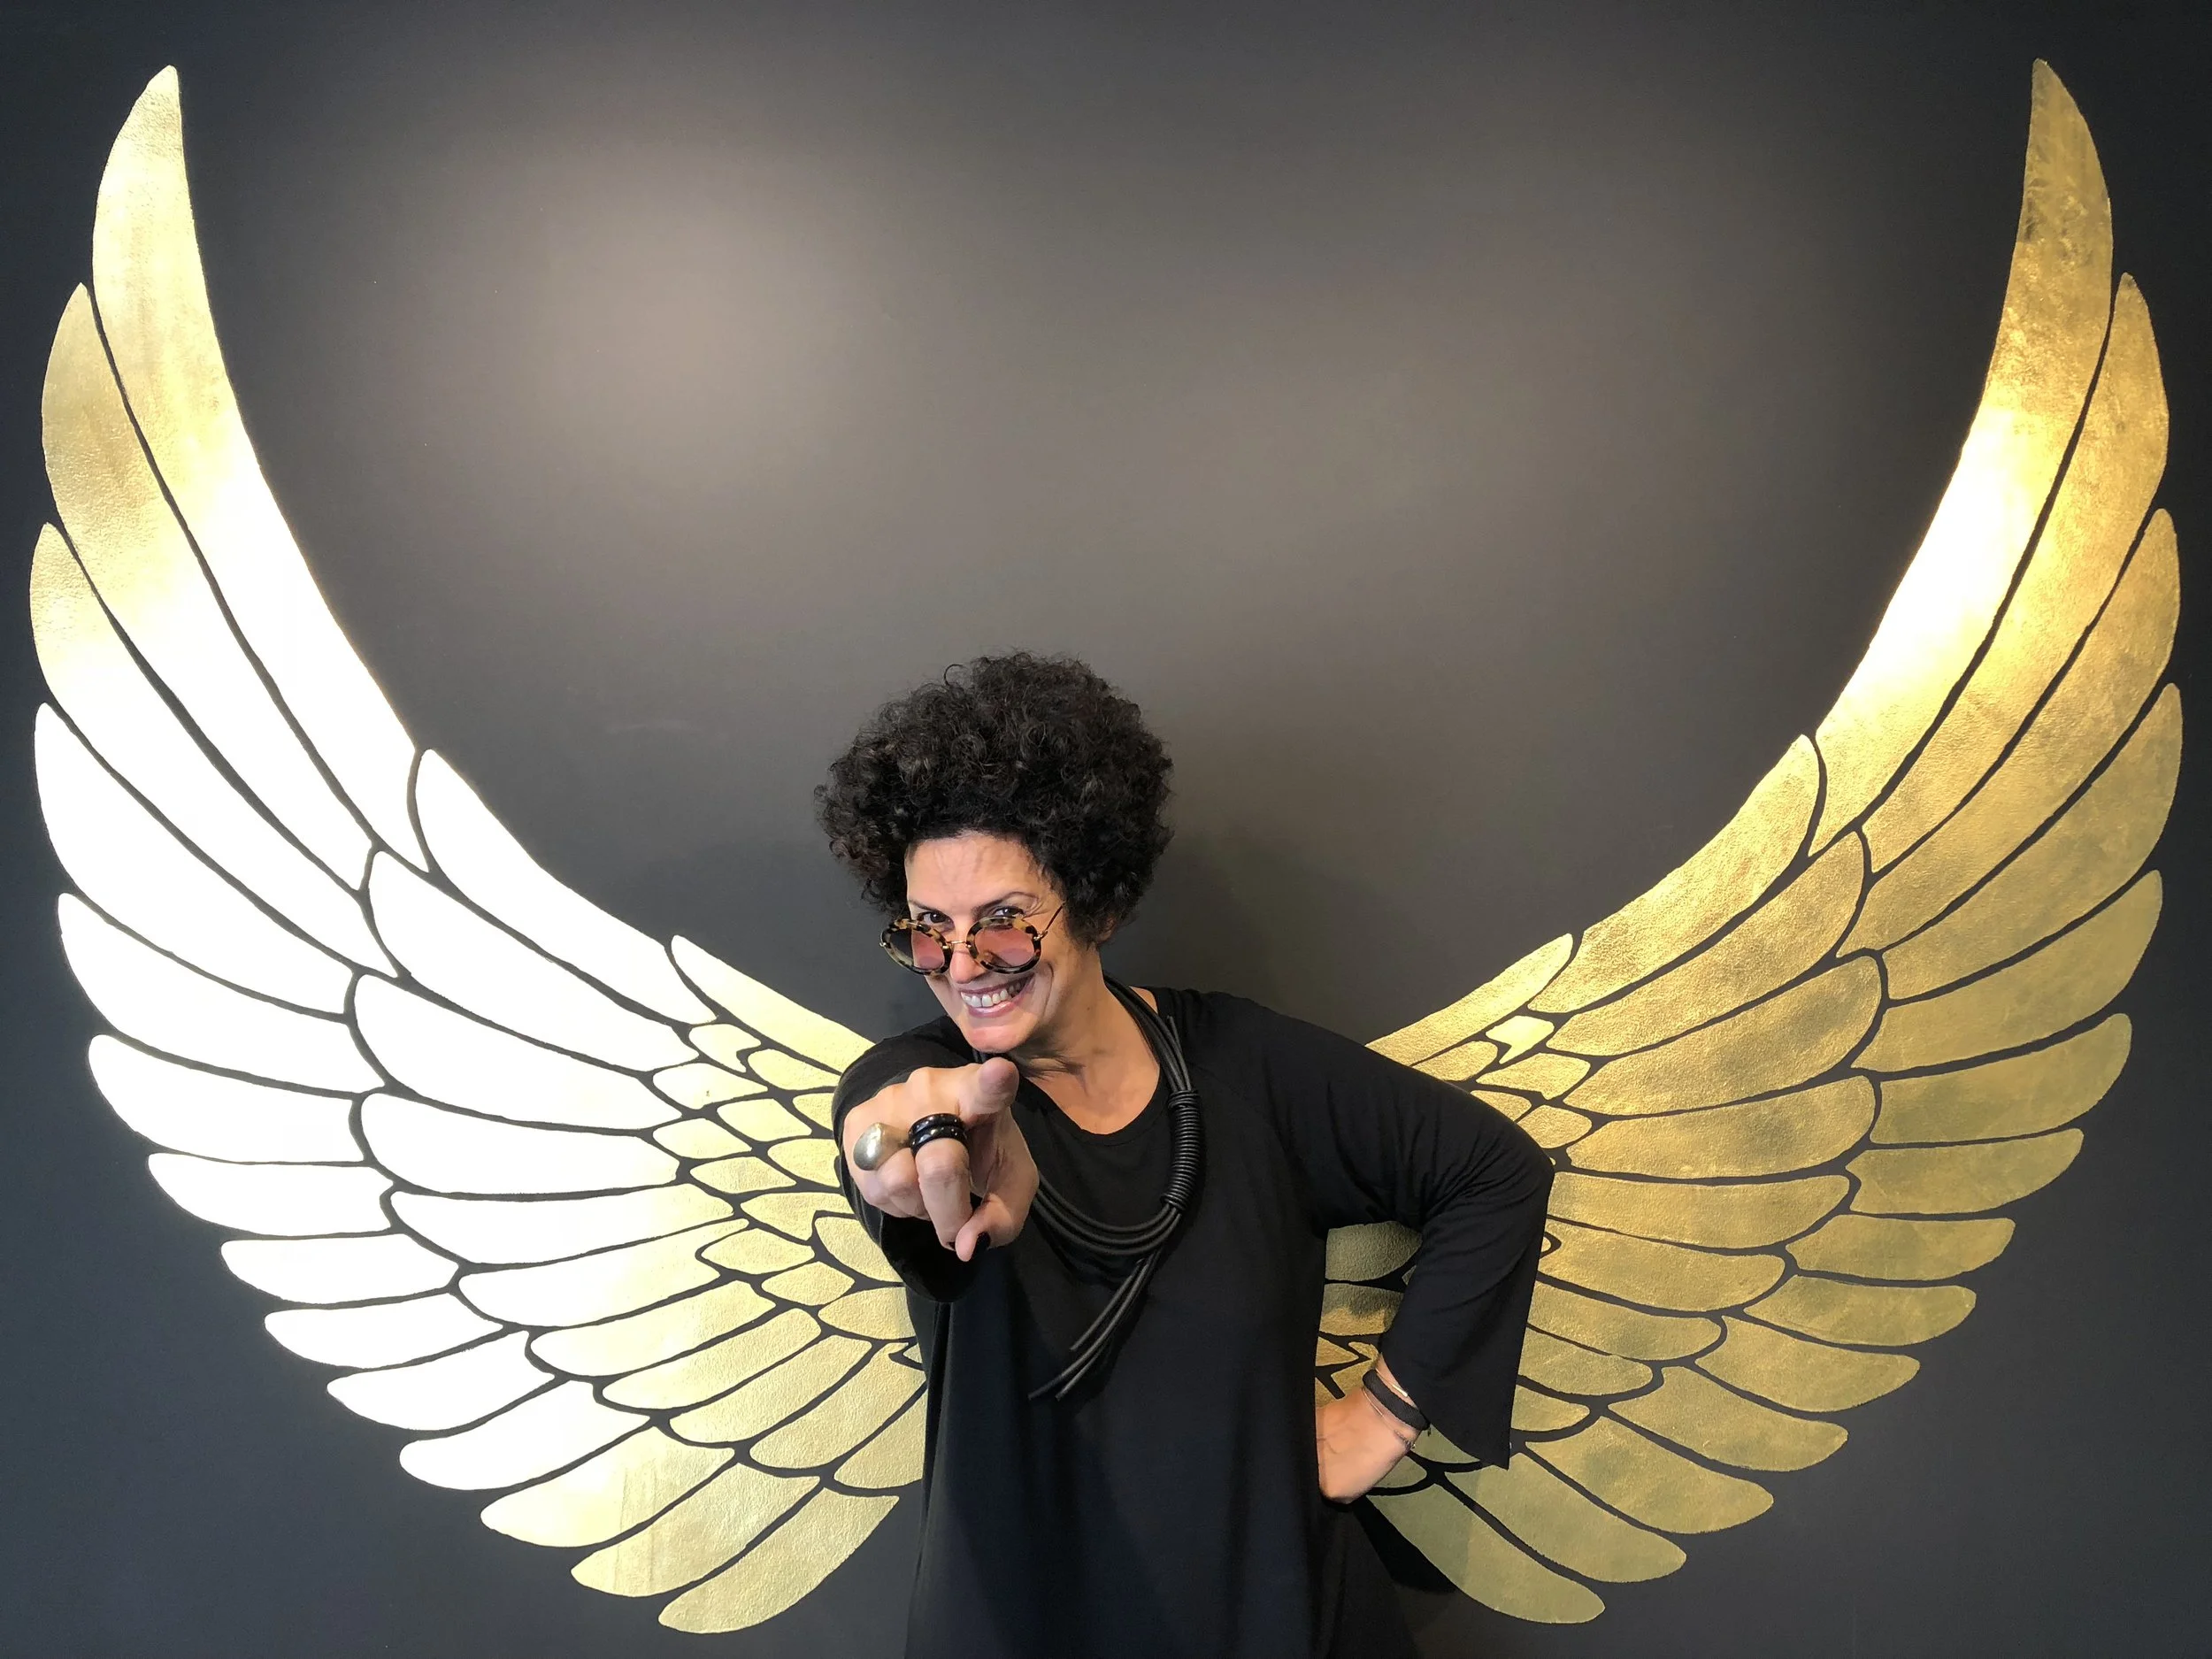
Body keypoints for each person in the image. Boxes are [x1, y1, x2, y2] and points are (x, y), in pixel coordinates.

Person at [819, 652, 1553, 1659]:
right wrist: (895, 1147)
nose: (962, 965)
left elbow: (1493, 1172)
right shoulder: (919, 1080)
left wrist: (1383, 1415)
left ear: (1098, 902)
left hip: (1277, 1617)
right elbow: (888, 1131)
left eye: (1004, 924)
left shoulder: (1247, 1070)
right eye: (927, 931)